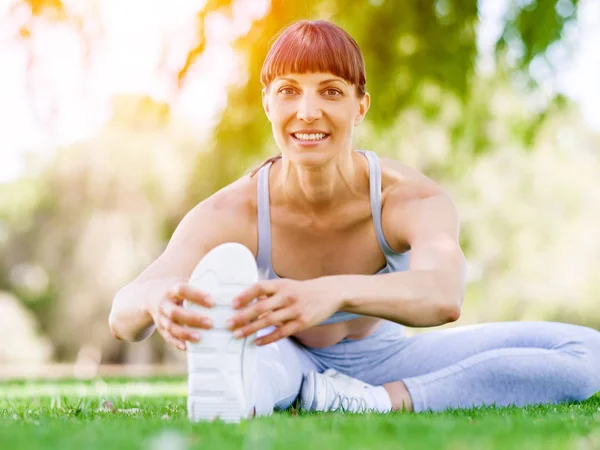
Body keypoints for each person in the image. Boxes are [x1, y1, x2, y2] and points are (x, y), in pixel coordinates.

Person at [108, 20, 600, 421]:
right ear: (268, 104)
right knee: (265, 364)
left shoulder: (407, 198)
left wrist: (331, 293)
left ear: (359, 105)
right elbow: (122, 316)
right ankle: (252, 387)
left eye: (330, 91)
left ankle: (379, 400)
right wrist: (155, 299)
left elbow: (444, 296)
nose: (307, 112)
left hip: (390, 361)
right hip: (283, 352)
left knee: (588, 355)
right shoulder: (232, 211)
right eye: (288, 91)